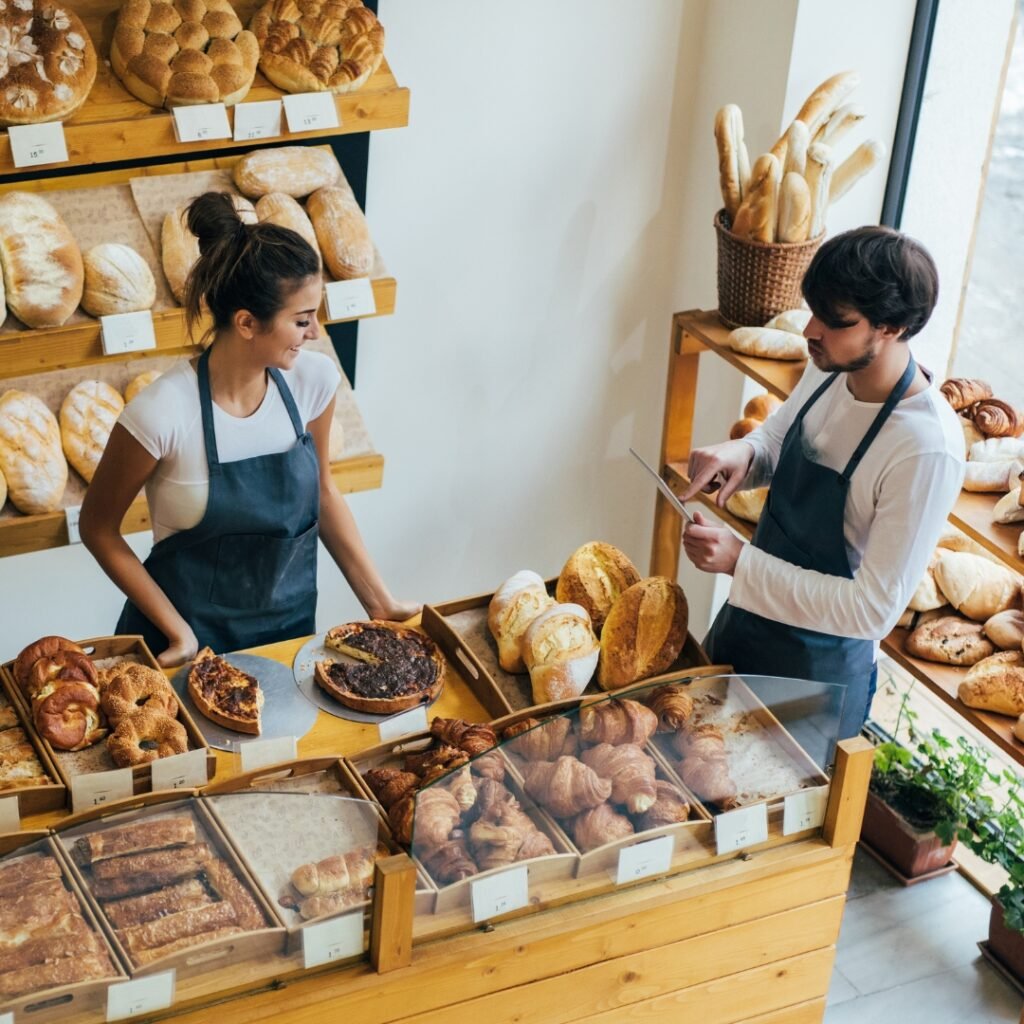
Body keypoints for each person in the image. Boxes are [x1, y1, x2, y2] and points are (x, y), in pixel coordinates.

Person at [81, 192, 417, 667]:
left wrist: (379, 600)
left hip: (286, 642)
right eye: (301, 320)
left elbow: (322, 492)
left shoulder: (313, 382)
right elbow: (97, 527)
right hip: (182, 652)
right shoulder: (162, 414)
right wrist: (177, 632)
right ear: (246, 322)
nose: (316, 333)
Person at [681, 226, 965, 739]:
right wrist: (743, 453)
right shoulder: (831, 361)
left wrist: (740, 561)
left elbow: (872, 610)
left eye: (834, 321)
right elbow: (779, 437)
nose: (811, 330)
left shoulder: (926, 449)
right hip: (744, 628)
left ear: (892, 326)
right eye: (814, 310)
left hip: (814, 687)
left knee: (757, 819)